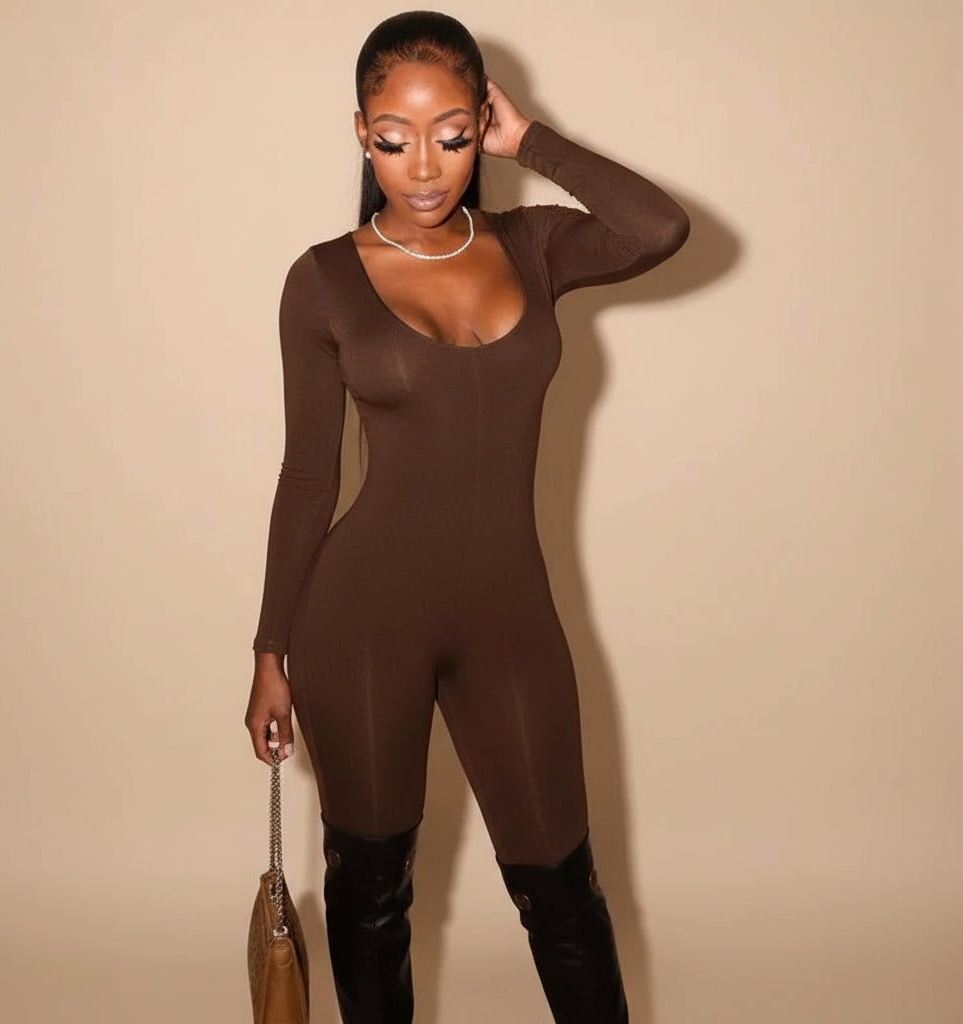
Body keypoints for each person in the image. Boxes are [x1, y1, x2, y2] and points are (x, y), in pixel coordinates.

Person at [243, 10, 689, 1023]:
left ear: (481, 123)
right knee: (371, 897)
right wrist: (271, 650)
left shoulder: (533, 246)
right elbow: (308, 478)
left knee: (564, 893)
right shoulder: (323, 281)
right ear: (360, 135)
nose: (424, 167)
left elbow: (657, 228)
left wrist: (532, 142)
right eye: (393, 138)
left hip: (511, 623)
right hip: (360, 624)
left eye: (451, 134)